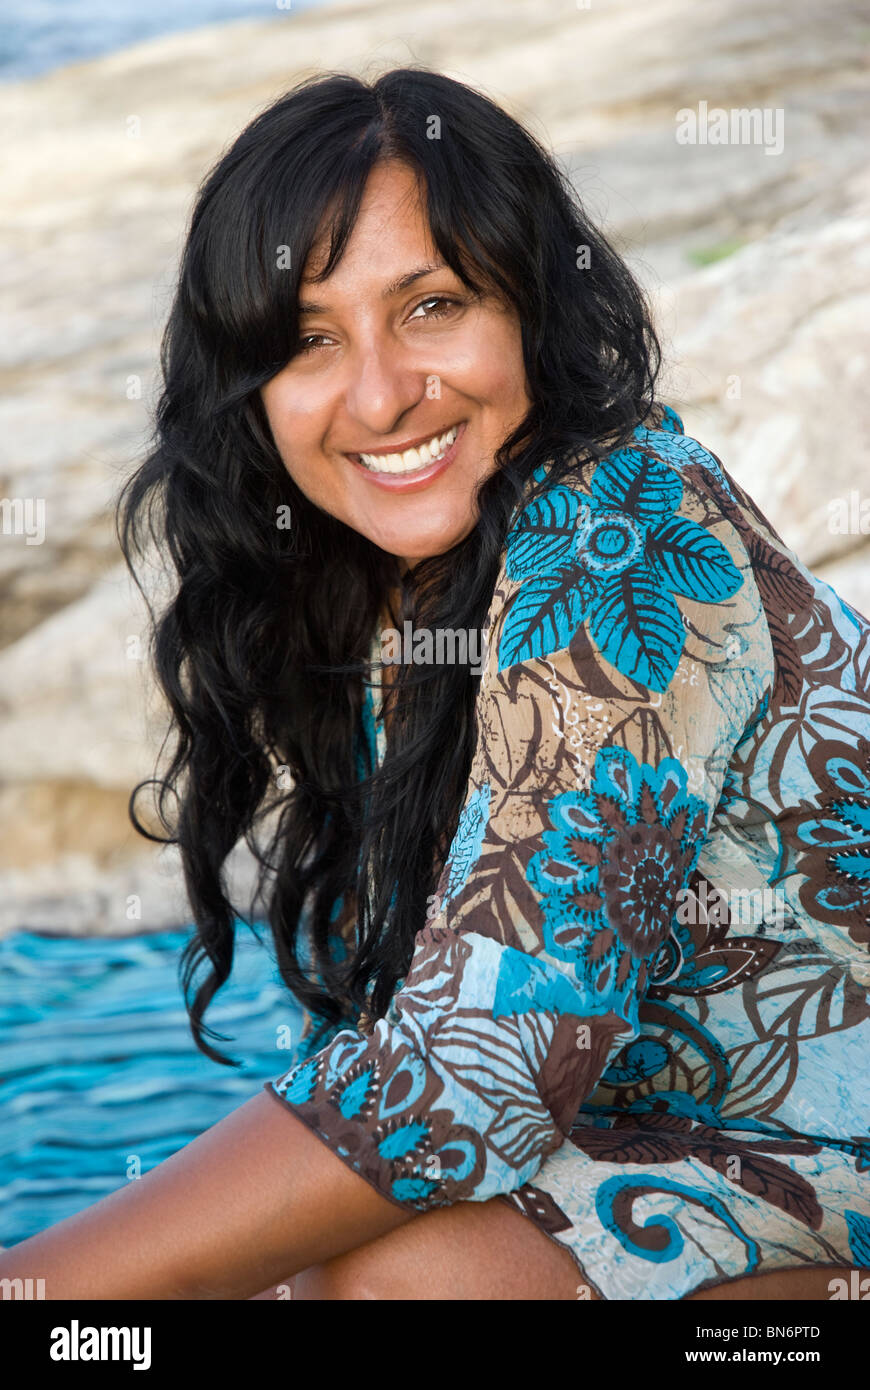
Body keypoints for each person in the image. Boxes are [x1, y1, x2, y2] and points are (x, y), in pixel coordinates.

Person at [2, 67, 868, 1302]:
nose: (377, 393)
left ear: (531, 309)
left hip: (835, 1156)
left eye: (431, 306)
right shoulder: (373, 597)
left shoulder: (621, 528)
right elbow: (380, 1077)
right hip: (696, 1147)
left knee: (400, 1282)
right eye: (309, 338)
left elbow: (477, 1078)